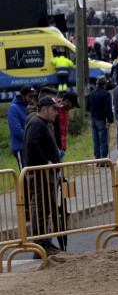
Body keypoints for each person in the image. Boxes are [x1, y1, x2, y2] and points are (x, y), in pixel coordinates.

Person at [23, 96, 63, 258]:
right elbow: (32, 144)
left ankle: (46, 243)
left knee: (46, 208)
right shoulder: (36, 123)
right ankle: (40, 245)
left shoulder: (42, 124)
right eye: (54, 109)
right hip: (39, 174)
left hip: (45, 173)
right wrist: (44, 162)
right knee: (40, 208)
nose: (56, 113)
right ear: (44, 109)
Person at [8, 85, 36, 170]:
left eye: (33, 96)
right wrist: (31, 138)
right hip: (21, 147)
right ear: (23, 96)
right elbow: (16, 130)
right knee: (25, 174)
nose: (32, 99)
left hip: (31, 145)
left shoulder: (30, 107)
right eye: (30, 96)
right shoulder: (13, 109)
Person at [89, 75, 113, 161]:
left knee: (96, 141)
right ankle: (103, 159)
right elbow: (108, 108)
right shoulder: (106, 94)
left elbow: (88, 107)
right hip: (101, 119)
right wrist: (110, 120)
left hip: (93, 119)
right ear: (105, 84)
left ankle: (97, 159)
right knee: (103, 141)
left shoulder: (91, 93)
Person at [58, 91, 80, 160]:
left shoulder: (66, 112)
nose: (73, 107)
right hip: (57, 148)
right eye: (72, 105)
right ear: (67, 101)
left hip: (62, 147)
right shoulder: (55, 111)